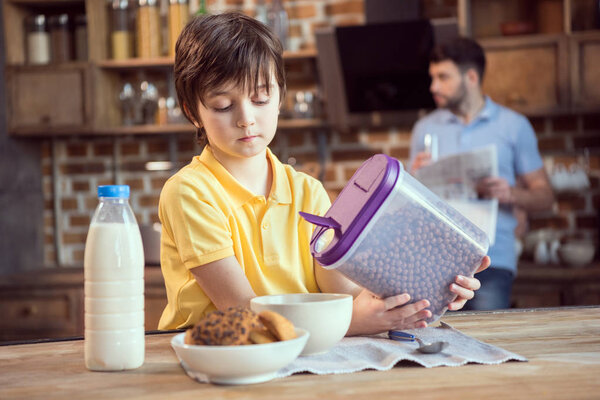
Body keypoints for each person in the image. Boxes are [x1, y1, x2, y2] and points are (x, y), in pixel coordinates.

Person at [158, 13, 490, 335]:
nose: (246, 118)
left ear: (279, 97)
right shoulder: (190, 192)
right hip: (215, 360)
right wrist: (351, 323)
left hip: (301, 354)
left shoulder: (307, 192)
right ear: (193, 112)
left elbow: (343, 293)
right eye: (223, 106)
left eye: (260, 98)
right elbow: (242, 313)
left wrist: (426, 288)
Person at [410, 37, 554, 311]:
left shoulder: (514, 126)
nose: (433, 87)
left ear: (471, 77)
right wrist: (413, 180)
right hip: (434, 259)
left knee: (486, 336)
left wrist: (509, 193)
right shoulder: (424, 129)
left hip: (492, 260)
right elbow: (409, 206)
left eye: (443, 77)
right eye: (432, 77)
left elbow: (545, 196)